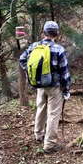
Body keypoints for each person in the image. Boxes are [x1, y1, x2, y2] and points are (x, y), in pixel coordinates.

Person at [19, 21, 71, 154]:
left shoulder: (34, 46)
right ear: (57, 34)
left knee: (41, 108)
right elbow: (64, 72)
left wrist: (31, 74)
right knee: (53, 114)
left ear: (44, 32)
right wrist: (66, 90)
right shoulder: (59, 49)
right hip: (54, 87)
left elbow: (22, 59)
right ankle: (49, 145)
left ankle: (38, 134)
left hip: (39, 85)